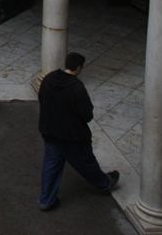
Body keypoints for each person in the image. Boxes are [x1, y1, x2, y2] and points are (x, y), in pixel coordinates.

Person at [36, 51, 120, 211]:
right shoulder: (76, 88)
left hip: (49, 131)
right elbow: (87, 115)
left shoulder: (49, 78)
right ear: (79, 68)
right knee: (86, 162)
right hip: (72, 136)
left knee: (51, 165)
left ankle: (46, 200)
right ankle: (105, 183)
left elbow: (42, 98)